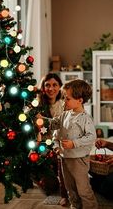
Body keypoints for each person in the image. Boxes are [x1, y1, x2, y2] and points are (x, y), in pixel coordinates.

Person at [43, 79, 98, 209]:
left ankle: (90, 206)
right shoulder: (65, 115)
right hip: (64, 157)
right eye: (64, 98)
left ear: (80, 100)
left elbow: (91, 137)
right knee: (70, 188)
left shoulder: (85, 118)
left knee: (83, 188)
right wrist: (42, 120)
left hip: (79, 159)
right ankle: (75, 206)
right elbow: (53, 124)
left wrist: (74, 143)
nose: (64, 101)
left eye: (67, 99)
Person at [38, 73, 69, 206]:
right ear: (43, 88)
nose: (51, 89)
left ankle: (66, 191)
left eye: (55, 85)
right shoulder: (37, 105)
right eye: (47, 85)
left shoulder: (65, 105)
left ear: (60, 87)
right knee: (50, 187)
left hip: (60, 146)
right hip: (43, 148)